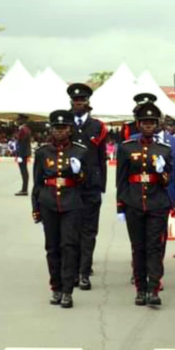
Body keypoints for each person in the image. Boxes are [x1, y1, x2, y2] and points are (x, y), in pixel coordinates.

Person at [116, 94, 173, 306]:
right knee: (137, 247)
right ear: (139, 124)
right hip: (133, 202)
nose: (148, 126)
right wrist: (120, 204)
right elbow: (121, 180)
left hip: (157, 203)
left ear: (157, 125)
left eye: (152, 123)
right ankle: (140, 288)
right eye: (145, 123)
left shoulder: (164, 150)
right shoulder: (126, 147)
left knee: (154, 247)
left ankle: (154, 289)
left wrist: (161, 172)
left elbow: (167, 180)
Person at [31, 110, 87, 309]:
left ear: (70, 130)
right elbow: (37, 183)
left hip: (72, 203)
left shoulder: (80, 152)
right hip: (48, 203)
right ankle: (56, 287)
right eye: (56, 128)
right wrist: (35, 208)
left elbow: (87, 184)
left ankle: (67, 291)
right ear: (51, 130)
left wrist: (79, 173)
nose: (60, 131)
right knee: (52, 247)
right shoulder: (42, 152)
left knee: (69, 246)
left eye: (64, 128)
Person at [68, 83, 110, 291]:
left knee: (88, 230)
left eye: (82, 100)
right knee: (70, 230)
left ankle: (84, 271)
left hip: (90, 186)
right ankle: (73, 269)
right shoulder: (63, 123)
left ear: (88, 103)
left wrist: (102, 184)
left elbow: (102, 158)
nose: (79, 103)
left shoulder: (98, 127)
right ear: (71, 102)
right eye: (76, 100)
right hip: (69, 186)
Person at [14, 114, 32, 196]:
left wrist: (19, 155)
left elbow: (22, 143)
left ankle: (24, 189)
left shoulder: (23, 130)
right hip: (23, 153)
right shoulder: (25, 129)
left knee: (24, 171)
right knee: (24, 171)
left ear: (23, 120)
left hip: (22, 153)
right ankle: (24, 189)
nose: (17, 121)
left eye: (19, 119)